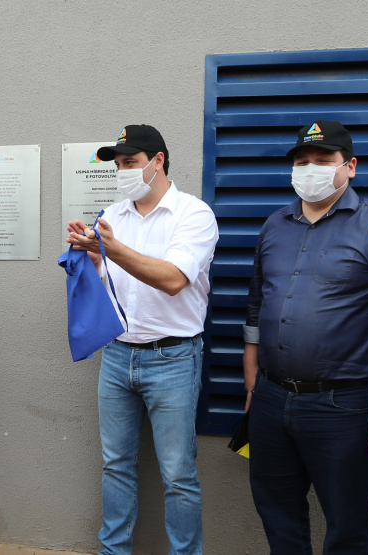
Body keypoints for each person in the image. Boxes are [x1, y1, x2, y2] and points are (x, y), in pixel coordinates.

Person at [243, 120, 368, 554]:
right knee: (277, 515)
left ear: (350, 166)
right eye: (302, 161)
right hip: (270, 400)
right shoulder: (274, 225)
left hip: (344, 406)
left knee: (347, 524)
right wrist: (252, 388)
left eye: (324, 160)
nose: (311, 168)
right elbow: (255, 309)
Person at [67, 125, 218, 555]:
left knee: (177, 473)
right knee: (116, 466)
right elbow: (112, 288)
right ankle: (114, 551)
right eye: (117, 165)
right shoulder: (113, 216)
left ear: (158, 161)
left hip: (173, 358)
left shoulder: (194, 214)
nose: (122, 171)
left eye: (130, 162)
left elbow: (173, 279)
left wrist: (113, 252)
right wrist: (94, 257)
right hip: (117, 355)